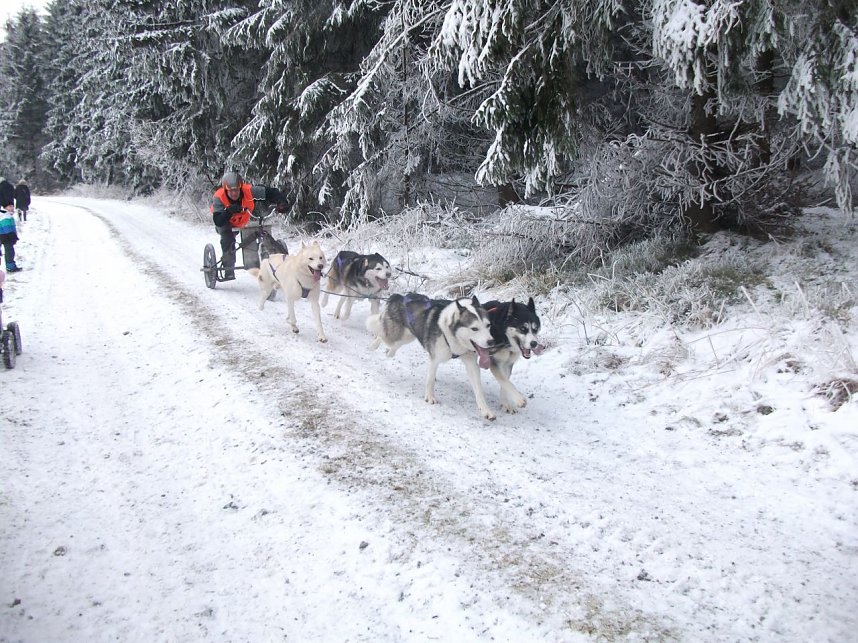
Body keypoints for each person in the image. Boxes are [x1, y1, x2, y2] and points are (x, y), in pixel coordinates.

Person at [210, 171, 289, 280]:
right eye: (231, 191)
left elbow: (271, 192)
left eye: (237, 190)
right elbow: (218, 221)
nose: (234, 193)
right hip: (224, 221)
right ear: (226, 190)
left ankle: (276, 261)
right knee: (228, 239)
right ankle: (228, 268)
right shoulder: (219, 197)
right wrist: (228, 211)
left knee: (259, 232)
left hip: (243, 220)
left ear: (240, 187)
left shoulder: (249, 191)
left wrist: (281, 202)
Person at [0, 201, 20, 272]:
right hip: (6, 236)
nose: (12, 208)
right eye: (10, 206)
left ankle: (10, 266)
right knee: (9, 252)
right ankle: (10, 267)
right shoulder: (5, 215)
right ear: (5, 207)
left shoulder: (6, 214)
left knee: (9, 251)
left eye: (12, 206)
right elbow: (7, 227)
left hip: (5, 236)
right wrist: (12, 235)